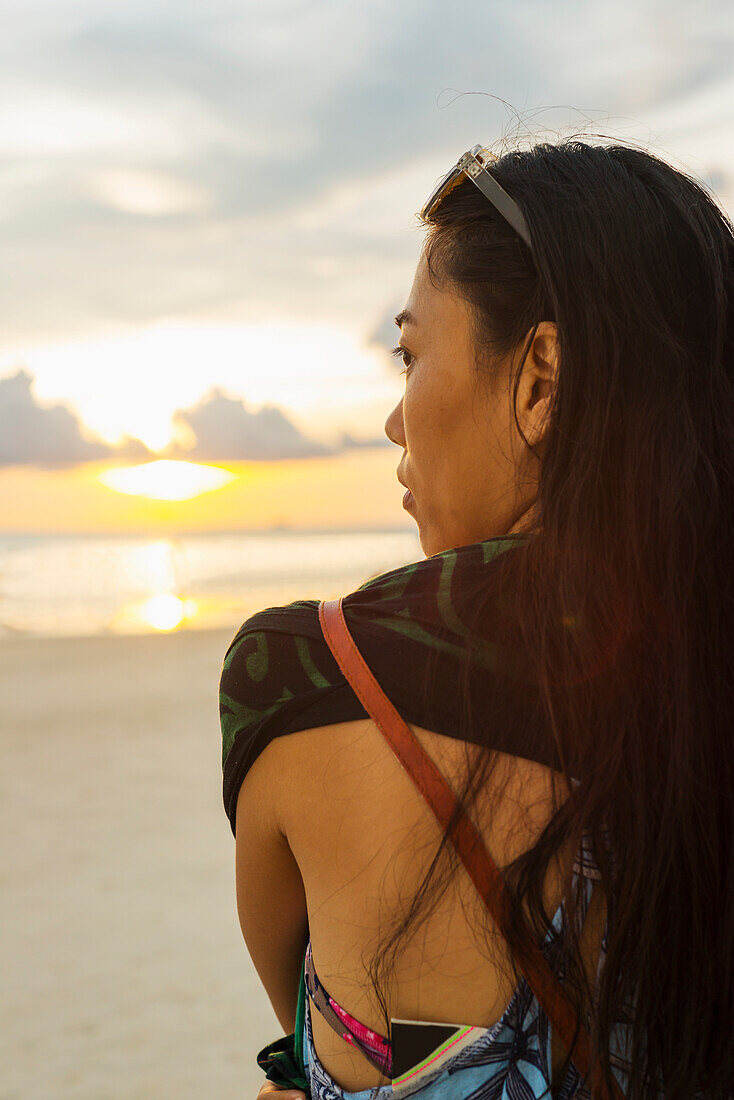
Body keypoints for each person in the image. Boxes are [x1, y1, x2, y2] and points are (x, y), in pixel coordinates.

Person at [220, 140, 734, 1100]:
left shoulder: (302, 677)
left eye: (411, 354)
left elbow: (308, 1015)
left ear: (540, 377)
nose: (393, 421)